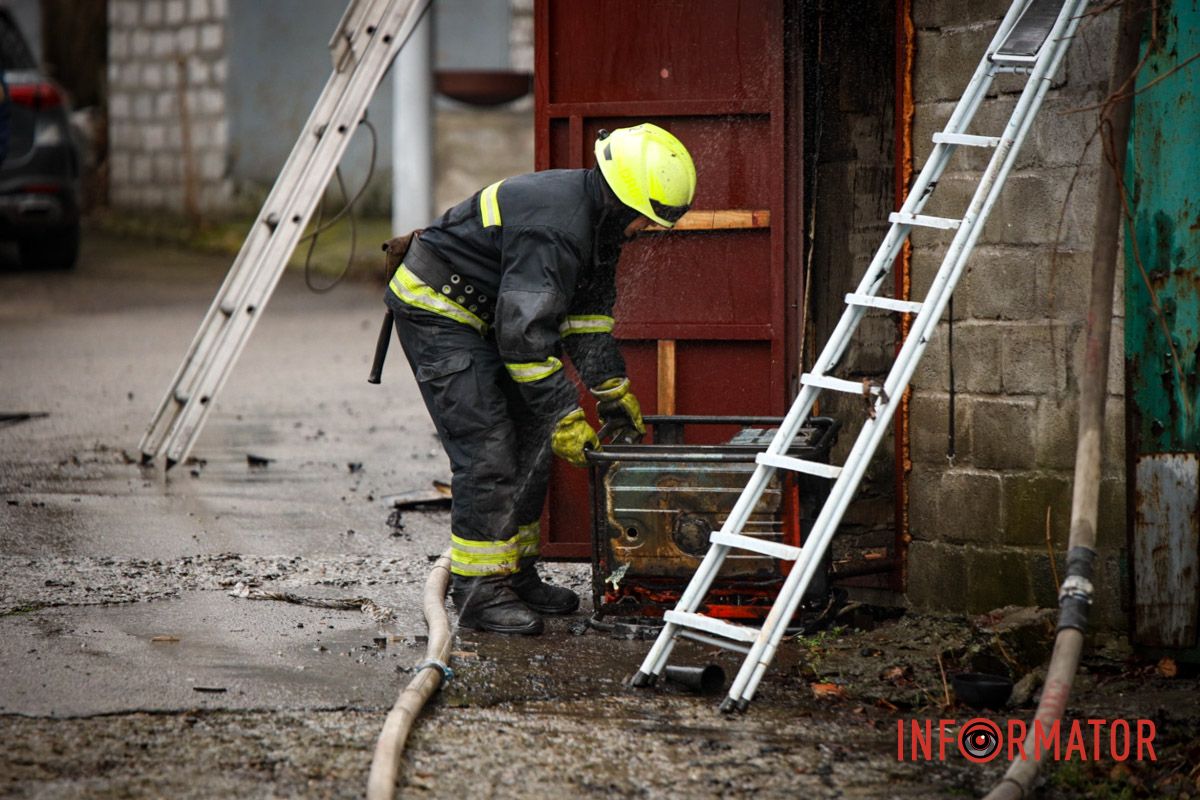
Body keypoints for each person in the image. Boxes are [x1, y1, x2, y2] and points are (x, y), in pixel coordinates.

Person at [382, 123, 697, 635]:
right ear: (624, 201)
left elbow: (586, 318)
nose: (643, 230)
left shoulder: (599, 224)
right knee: (488, 448)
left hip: (488, 317)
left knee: (531, 441)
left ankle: (514, 574)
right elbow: (525, 338)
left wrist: (611, 391)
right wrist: (566, 416)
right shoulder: (557, 226)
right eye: (644, 218)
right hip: (438, 313)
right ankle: (480, 592)